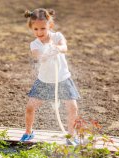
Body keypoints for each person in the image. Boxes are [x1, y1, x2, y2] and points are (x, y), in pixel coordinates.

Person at [20, 8, 80, 145]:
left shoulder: (57, 36)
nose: (39, 32)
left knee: (72, 107)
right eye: (35, 29)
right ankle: (28, 132)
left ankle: (72, 135)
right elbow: (37, 54)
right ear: (31, 29)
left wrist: (57, 49)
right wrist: (45, 55)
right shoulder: (34, 44)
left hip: (63, 79)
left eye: (42, 28)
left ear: (50, 26)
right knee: (30, 107)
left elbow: (64, 47)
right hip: (44, 81)